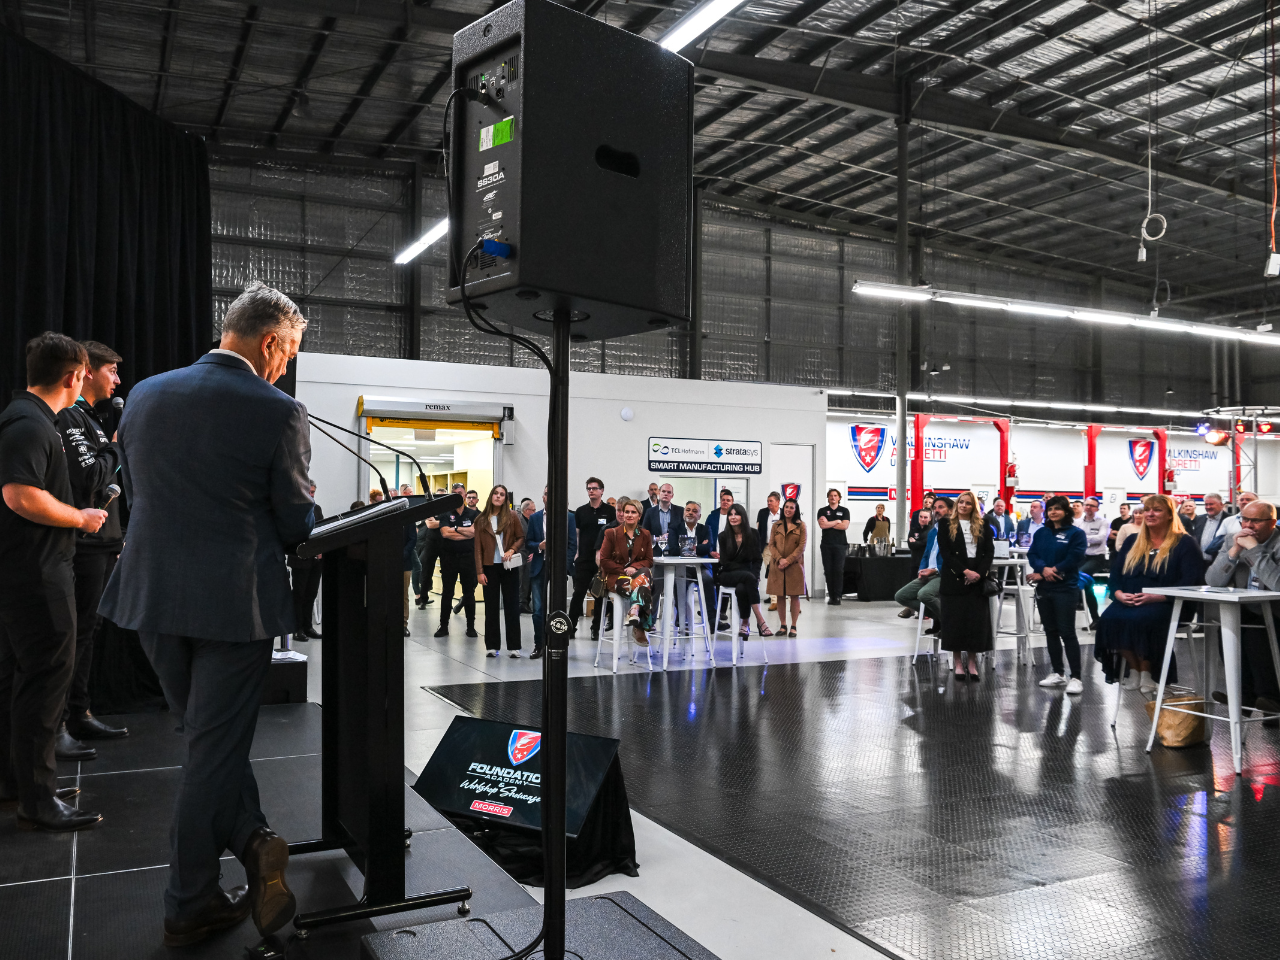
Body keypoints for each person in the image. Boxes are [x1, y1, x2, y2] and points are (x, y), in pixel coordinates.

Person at [98, 283, 313, 945]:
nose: (286, 366)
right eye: (290, 352)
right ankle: (188, 901)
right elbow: (295, 520)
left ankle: (253, 842)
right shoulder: (278, 410)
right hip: (233, 605)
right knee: (212, 754)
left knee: (205, 741)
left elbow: (136, 494)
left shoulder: (145, 395)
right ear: (271, 342)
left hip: (153, 597)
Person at [0, 334, 106, 831]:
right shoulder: (28, 423)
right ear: (73, 377)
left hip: (34, 570)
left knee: (26, 680)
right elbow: (20, 496)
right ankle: (37, 799)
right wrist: (80, 518)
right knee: (45, 682)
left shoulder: (32, 419)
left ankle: (21, 782)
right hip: (38, 574)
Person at [54, 340, 129, 753]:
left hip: (102, 542)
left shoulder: (92, 419)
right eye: (111, 371)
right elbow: (89, 480)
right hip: (82, 545)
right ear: (87, 371)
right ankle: (61, 723)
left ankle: (79, 713)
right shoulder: (70, 417)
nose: (117, 380)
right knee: (75, 634)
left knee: (88, 632)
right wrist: (115, 445)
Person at [1094, 494, 1202, 693]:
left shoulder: (1185, 543)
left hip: (1169, 603)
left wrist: (1158, 597)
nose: (1150, 514)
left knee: (1144, 620)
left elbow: (1191, 581)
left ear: (1170, 515)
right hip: (1130, 600)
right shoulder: (1133, 541)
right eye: (1147, 510)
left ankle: (1148, 672)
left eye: (1157, 510)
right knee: (1109, 619)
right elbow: (1116, 574)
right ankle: (1134, 669)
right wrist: (1118, 594)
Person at [1205, 499, 1280, 722]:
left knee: (1256, 631)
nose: (1248, 525)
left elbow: (1277, 584)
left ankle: (1267, 697)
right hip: (1246, 608)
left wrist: (1254, 550)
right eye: (1244, 519)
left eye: (1255, 521)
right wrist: (1235, 550)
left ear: (1272, 522)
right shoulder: (1233, 538)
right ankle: (1245, 696)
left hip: (1275, 611)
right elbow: (1213, 580)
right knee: (1228, 628)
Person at [1028, 496, 1088, 694]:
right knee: (1050, 631)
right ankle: (1058, 673)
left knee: (1067, 631)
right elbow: (1032, 554)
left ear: (1066, 511)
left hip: (1066, 588)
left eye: (1057, 509)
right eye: (1050, 509)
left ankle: (1076, 677)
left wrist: (1054, 569)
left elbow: (1076, 556)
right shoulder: (1042, 533)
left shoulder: (1076, 533)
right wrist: (1043, 569)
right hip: (1045, 588)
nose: (1053, 512)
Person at [935, 491, 994, 682]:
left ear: (973, 506)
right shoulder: (945, 524)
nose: (964, 506)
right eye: (961, 502)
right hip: (955, 578)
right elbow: (946, 552)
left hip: (977, 578)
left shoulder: (984, 525)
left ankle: (972, 663)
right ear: (957, 505)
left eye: (968, 503)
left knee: (976, 623)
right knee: (955, 623)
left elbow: (988, 552)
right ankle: (958, 663)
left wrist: (979, 574)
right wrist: (964, 572)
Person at [474, 485, 525, 657]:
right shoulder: (480, 519)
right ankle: (492, 646)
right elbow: (478, 549)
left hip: (508, 567)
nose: (498, 496)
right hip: (489, 567)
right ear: (491, 496)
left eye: (502, 494)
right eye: (496, 493)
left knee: (512, 607)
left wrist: (512, 549)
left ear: (505, 499)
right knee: (491, 608)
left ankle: (514, 647)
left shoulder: (512, 516)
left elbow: (520, 537)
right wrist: (479, 572)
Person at [526, 486, 576, 660]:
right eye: (547, 493)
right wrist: (538, 546)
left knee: (559, 609)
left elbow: (572, 546)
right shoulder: (534, 518)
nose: (550, 496)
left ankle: (558, 643)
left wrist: (565, 566)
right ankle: (539, 644)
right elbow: (528, 543)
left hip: (558, 568)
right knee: (538, 610)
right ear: (543, 497)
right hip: (540, 565)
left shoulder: (569, 517)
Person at [599, 500, 654, 647]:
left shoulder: (645, 534)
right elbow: (604, 560)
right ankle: (640, 626)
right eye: (627, 512)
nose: (629, 515)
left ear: (639, 516)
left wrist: (634, 568)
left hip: (637, 578)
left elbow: (649, 560)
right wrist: (625, 570)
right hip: (616, 578)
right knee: (644, 583)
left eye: (633, 512)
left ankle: (634, 610)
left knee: (644, 573)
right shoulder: (612, 533)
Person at [716, 504, 774, 638]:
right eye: (730, 514)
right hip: (727, 574)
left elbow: (757, 559)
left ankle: (745, 624)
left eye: (736, 514)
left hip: (747, 576)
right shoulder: (723, 536)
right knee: (748, 578)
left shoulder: (753, 534)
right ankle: (761, 621)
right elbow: (725, 562)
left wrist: (755, 575)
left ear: (743, 516)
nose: (733, 517)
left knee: (742, 589)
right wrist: (749, 574)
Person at [569, 477, 615, 640]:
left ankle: (596, 628)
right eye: (589, 488)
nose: (591, 491)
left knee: (600, 595)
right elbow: (577, 534)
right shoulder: (581, 511)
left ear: (602, 491)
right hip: (584, 559)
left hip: (602, 560)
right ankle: (570, 627)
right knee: (578, 593)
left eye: (595, 488)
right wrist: (576, 555)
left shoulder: (610, 512)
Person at [895, 498, 952, 624]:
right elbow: (926, 554)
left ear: (950, 510)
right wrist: (922, 569)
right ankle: (941, 618)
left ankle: (947, 621)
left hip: (942, 573)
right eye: (934, 508)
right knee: (901, 596)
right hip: (928, 571)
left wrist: (934, 570)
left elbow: (951, 557)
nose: (936, 510)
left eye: (941, 507)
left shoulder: (953, 530)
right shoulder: (933, 531)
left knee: (924, 594)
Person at [434, 493, 479, 638]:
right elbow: (445, 534)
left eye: (460, 494)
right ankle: (443, 626)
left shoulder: (475, 514)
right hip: (449, 558)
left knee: (469, 593)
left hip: (468, 558)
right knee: (447, 593)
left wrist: (456, 529)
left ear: (464, 496)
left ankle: (471, 627)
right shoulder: (445, 514)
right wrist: (465, 533)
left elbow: (474, 533)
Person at [418, 482, 465, 609]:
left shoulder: (451, 508)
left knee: (447, 572)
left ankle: (447, 600)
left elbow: (455, 523)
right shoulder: (431, 507)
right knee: (427, 570)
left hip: (446, 542)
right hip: (431, 542)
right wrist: (446, 523)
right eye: (438, 496)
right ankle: (423, 599)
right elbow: (430, 525)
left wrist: (442, 523)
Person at [288, 481, 324, 640]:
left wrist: (321, 549)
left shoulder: (317, 509)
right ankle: (298, 629)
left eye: (313, 492)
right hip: (300, 558)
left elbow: (322, 528)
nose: (311, 495)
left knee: (311, 594)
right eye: (309, 492)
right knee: (299, 595)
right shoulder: (294, 509)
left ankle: (308, 627)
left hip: (316, 559)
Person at [767, 497, 807, 637]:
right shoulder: (776, 525)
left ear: (796, 510)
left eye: (792, 507)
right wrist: (779, 559)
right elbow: (771, 545)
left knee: (794, 596)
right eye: (787, 507)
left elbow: (801, 547)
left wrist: (787, 560)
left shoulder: (801, 526)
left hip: (794, 565)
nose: (788, 510)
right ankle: (783, 625)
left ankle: (794, 626)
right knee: (780, 595)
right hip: (778, 565)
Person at [816, 489, 851, 605]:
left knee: (838, 570)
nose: (833, 497)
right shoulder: (822, 511)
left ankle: (838, 596)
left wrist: (829, 524)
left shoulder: (844, 511)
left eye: (835, 495)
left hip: (840, 545)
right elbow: (822, 525)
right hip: (826, 545)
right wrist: (836, 521)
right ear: (828, 498)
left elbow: (844, 526)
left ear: (839, 498)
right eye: (831, 496)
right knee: (828, 570)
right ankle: (831, 596)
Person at [756, 491, 782, 610]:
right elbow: (758, 529)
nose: (769, 503)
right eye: (768, 501)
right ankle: (774, 601)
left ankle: (789, 601)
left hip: (782, 549)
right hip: (767, 547)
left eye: (771, 501)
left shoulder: (784, 513)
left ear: (778, 502)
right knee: (771, 574)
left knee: (784, 575)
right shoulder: (763, 513)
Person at [1192, 493, 1227, 557]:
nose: (1208, 507)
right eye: (1206, 504)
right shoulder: (1199, 519)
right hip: (1200, 562)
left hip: (1219, 561)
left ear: (1221, 505)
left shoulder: (1228, 520)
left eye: (1211, 504)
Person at [518, 498, 536, 613]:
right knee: (518, 579)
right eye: (533, 510)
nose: (535, 512)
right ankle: (518, 603)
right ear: (526, 510)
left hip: (530, 554)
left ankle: (524, 602)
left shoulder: (533, 521)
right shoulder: (517, 520)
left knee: (527, 580)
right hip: (519, 553)